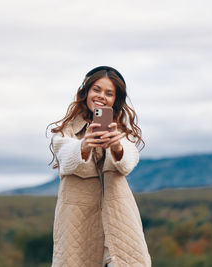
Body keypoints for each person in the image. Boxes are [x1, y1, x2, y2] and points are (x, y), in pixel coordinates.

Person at [47, 66, 152, 267]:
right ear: (86, 92)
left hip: (119, 217)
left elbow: (129, 161)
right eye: (97, 89)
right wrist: (85, 144)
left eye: (109, 93)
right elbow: (66, 158)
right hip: (78, 222)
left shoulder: (119, 131)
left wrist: (116, 145)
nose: (102, 96)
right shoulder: (65, 132)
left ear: (115, 100)